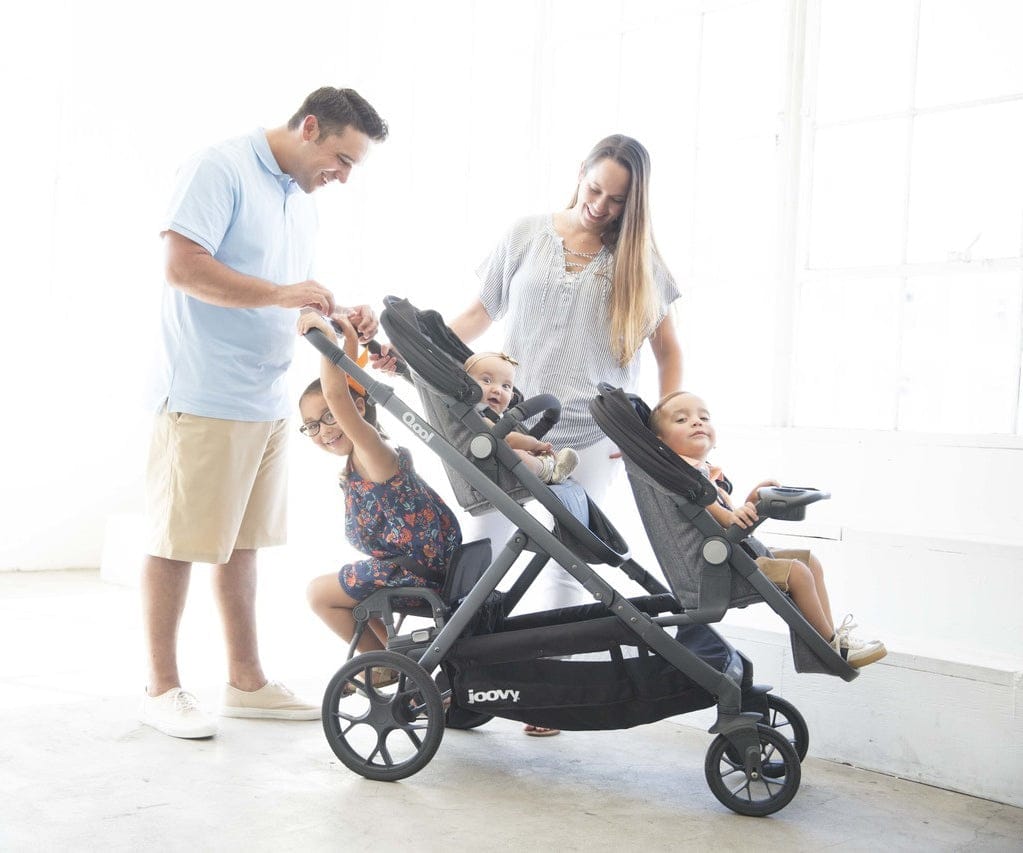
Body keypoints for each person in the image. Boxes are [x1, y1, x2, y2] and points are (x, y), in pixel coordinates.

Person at [140, 87, 389, 739]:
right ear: (308, 127)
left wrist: (334, 313)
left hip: (266, 395)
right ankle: (160, 688)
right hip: (203, 392)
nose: (342, 177)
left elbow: (286, 299)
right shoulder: (219, 167)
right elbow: (182, 268)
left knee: (243, 545)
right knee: (177, 542)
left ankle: (245, 683)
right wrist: (284, 293)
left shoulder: (299, 199)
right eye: (341, 159)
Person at [649, 391, 887, 668]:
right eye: (682, 419)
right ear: (660, 441)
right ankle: (831, 647)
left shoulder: (705, 473)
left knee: (809, 562)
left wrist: (752, 501)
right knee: (797, 573)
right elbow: (719, 517)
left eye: (704, 417)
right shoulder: (684, 477)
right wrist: (735, 515)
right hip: (715, 572)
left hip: (732, 556)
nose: (696, 422)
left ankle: (830, 641)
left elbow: (723, 517)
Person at [298, 312, 462, 677]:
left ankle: (386, 666)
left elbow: (338, 393)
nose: (323, 431)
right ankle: (400, 665)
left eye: (329, 417)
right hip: (416, 569)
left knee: (319, 594)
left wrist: (326, 338)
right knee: (355, 597)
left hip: (419, 573)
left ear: (357, 408)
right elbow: (343, 388)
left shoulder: (372, 451)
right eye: (311, 425)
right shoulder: (357, 462)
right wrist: (349, 341)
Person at [464, 351, 579, 484]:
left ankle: (552, 463)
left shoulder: (497, 415)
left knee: (522, 454)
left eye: (506, 386)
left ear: (512, 396)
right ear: (467, 384)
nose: (497, 390)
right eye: (487, 380)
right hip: (495, 465)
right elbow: (509, 440)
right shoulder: (474, 415)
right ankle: (546, 469)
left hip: (502, 456)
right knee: (519, 456)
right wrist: (537, 445)